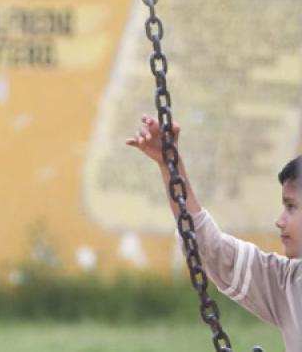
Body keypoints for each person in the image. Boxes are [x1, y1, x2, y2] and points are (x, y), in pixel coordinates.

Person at [127, 114, 302, 350]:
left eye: (291, 207)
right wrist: (171, 165)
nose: (280, 221)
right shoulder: (288, 281)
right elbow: (211, 249)